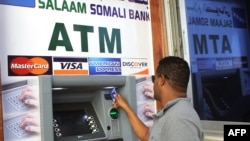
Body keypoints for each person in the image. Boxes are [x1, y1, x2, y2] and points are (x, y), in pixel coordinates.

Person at [112, 56, 204, 141]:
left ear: (161, 80)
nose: (153, 83)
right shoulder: (175, 112)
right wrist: (126, 107)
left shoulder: (179, 120)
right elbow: (146, 135)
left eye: (153, 79)